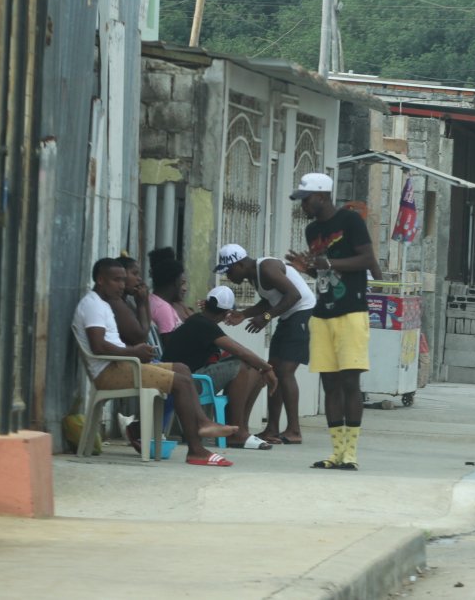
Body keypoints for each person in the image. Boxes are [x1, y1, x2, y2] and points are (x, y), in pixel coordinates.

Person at [73, 259, 236, 466]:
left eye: (124, 280)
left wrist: (136, 353)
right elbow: (98, 346)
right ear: (100, 280)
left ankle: (203, 423)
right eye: (116, 280)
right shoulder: (93, 304)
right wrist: (134, 351)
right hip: (109, 372)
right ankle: (197, 451)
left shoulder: (104, 303)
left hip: (122, 365)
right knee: (181, 382)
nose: (122, 285)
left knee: (182, 369)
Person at [286, 172, 378, 471]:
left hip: (351, 311)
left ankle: (351, 453)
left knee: (351, 381)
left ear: (322, 196)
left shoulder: (350, 221)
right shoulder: (312, 230)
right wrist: (307, 269)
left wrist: (330, 262)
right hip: (322, 313)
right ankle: (335, 452)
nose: (303, 206)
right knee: (329, 383)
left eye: (306, 199)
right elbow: (324, 272)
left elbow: (366, 260)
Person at [217, 242, 316, 446]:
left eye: (229, 270)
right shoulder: (254, 276)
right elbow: (270, 300)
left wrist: (267, 317)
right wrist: (243, 315)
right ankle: (272, 428)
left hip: (303, 314)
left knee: (286, 372)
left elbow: (293, 295)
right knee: (272, 369)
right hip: (289, 317)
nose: (229, 276)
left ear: (240, 264)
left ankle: (294, 430)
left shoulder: (267, 268)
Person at [161, 285, 278, 449]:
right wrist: (268, 368)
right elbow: (239, 351)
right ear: (226, 313)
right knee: (241, 366)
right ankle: (236, 435)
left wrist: (262, 368)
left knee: (255, 371)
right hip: (186, 382)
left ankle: (241, 429)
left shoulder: (201, 321)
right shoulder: (202, 324)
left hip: (188, 378)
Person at [147, 247, 192, 335]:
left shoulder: (153, 300)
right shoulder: (163, 307)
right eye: (181, 282)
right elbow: (171, 343)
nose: (184, 288)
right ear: (175, 281)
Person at [113, 254, 153, 346]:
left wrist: (145, 299)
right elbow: (142, 338)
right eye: (135, 273)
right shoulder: (116, 303)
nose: (139, 279)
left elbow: (147, 326)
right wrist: (141, 305)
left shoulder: (128, 301)